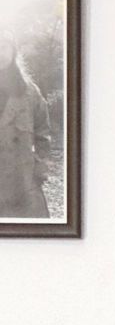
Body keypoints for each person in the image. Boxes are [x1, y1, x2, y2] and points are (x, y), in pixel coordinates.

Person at [0, 27, 51, 218]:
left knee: (31, 234)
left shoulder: (30, 92)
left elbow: (43, 134)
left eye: (3, 47)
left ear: (13, 51)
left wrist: (40, 167)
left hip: (23, 184)